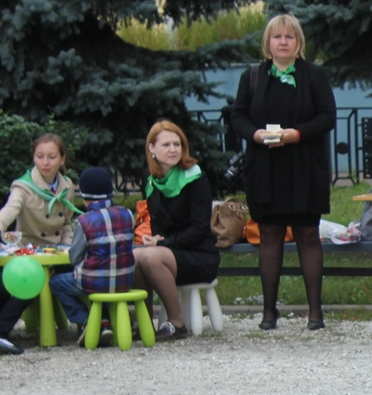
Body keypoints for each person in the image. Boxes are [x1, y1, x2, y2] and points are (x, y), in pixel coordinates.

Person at [230, 13, 336, 330]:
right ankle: (268, 312)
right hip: (265, 169)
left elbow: (327, 117)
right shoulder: (252, 77)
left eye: (289, 36)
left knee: (307, 234)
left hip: (305, 168)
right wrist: (256, 135)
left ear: (298, 42)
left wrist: (296, 134)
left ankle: (315, 312)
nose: (283, 42)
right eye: (277, 37)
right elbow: (238, 116)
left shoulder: (314, 76)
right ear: (268, 42)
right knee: (270, 235)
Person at [132, 120, 218, 340]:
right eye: (166, 145)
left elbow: (199, 229)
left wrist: (162, 244)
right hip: (169, 250)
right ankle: (144, 323)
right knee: (136, 255)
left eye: (177, 144)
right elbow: (157, 222)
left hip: (198, 254)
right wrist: (155, 239)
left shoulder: (195, 177)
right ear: (152, 148)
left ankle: (177, 323)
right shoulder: (151, 179)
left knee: (150, 257)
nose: (173, 149)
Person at [0, 134, 82, 354]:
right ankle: (1, 331)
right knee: (25, 280)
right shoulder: (23, 186)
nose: (45, 162)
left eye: (52, 157)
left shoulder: (67, 185)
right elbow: (10, 210)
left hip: (58, 253)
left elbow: (67, 222)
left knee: (81, 271)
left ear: (62, 159)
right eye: (39, 156)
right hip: (28, 254)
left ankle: (92, 322)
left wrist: (67, 245)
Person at [49, 167, 135, 344]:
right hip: (124, 280)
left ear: (84, 197)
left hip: (92, 282)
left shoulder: (84, 221)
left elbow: (74, 257)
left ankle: (85, 320)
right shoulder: (127, 214)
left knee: (56, 283)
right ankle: (104, 321)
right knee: (103, 281)